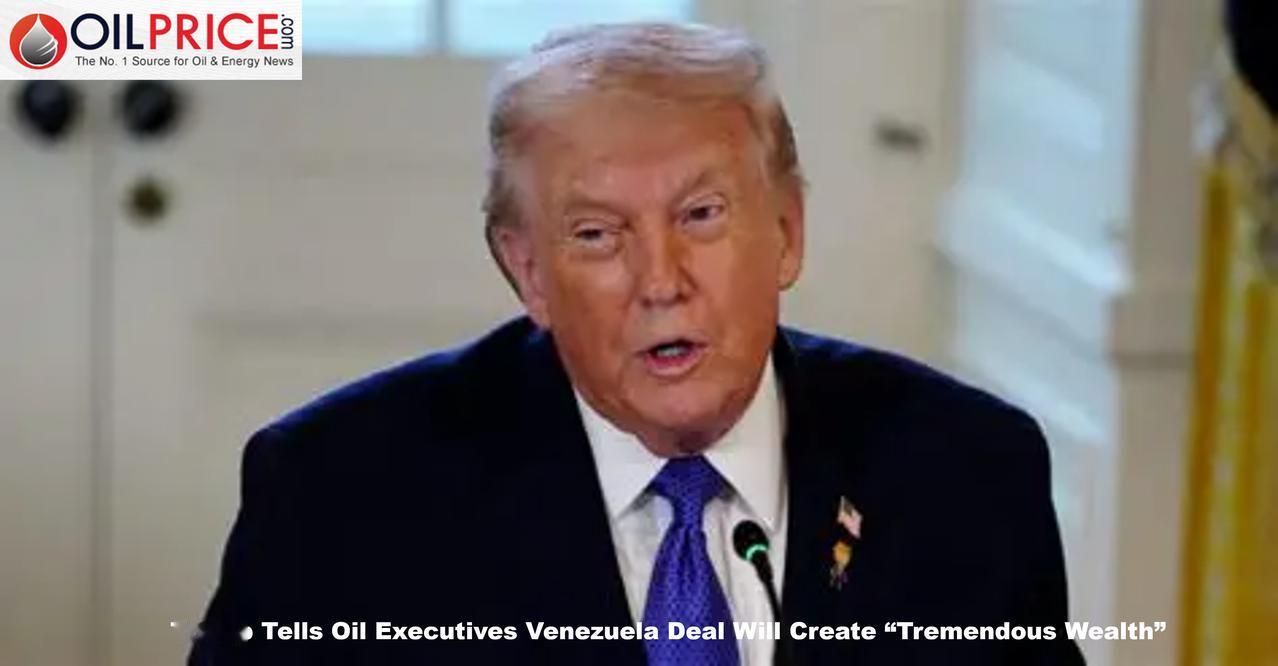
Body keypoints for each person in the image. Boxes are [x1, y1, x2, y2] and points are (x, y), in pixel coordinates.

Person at [189, 22, 1084, 666]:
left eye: (701, 215)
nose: (661, 280)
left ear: (786, 230)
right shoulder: (339, 496)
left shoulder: (966, 474)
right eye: (597, 235)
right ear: (529, 273)